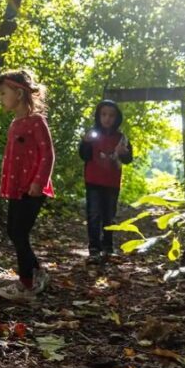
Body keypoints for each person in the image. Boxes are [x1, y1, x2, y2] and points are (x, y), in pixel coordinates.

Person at [0, 69, 54, 303]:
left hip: (32, 189)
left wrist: (39, 182)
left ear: (18, 94)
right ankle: (37, 271)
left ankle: (26, 284)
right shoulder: (15, 123)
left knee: (19, 232)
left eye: (3, 93)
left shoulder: (36, 122)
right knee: (13, 231)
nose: (1, 98)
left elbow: (47, 155)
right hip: (16, 187)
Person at [78, 99, 132, 263]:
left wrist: (123, 153)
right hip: (93, 181)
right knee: (94, 215)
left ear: (117, 118)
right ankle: (94, 249)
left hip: (112, 183)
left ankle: (108, 247)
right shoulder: (92, 134)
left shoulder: (122, 137)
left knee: (109, 216)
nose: (107, 118)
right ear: (98, 116)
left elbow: (129, 159)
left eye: (111, 115)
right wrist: (86, 143)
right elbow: (84, 155)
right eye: (104, 114)